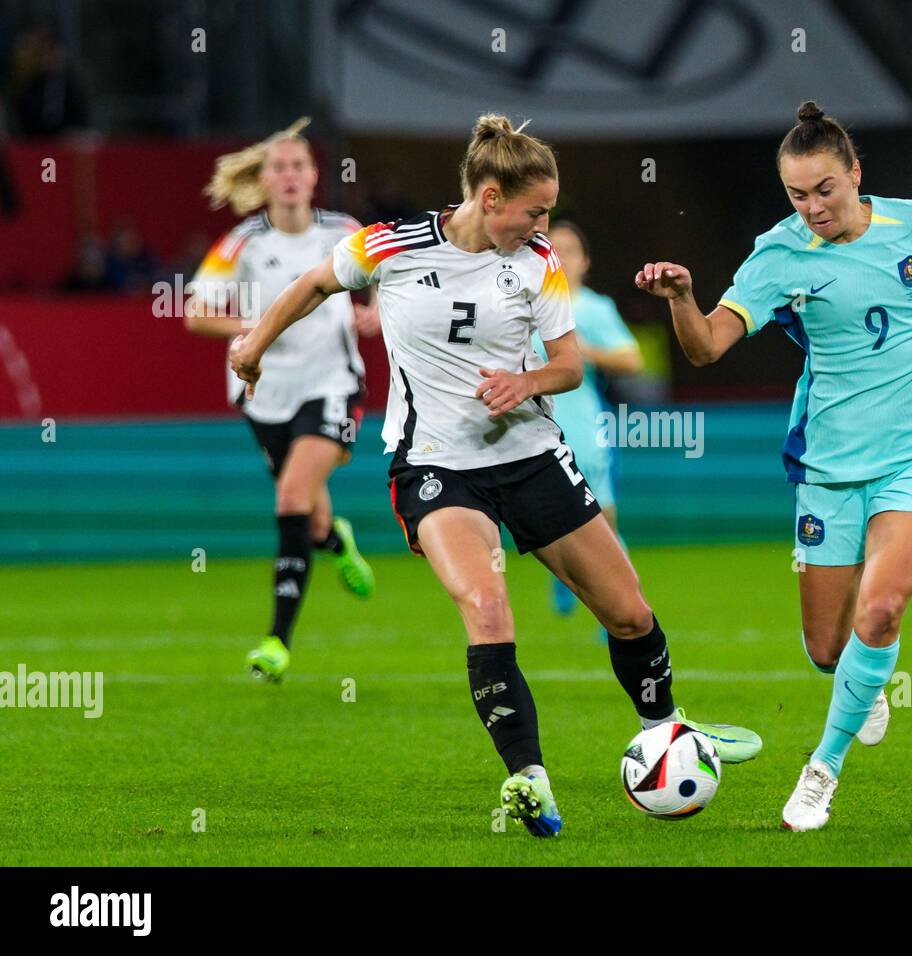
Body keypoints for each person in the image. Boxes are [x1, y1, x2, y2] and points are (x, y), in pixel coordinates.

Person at [228, 114, 761, 838]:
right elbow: (314, 285)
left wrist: (526, 379)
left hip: (530, 456)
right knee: (487, 606)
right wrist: (254, 345)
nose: (546, 225)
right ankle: (528, 779)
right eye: (536, 210)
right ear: (488, 196)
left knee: (629, 612)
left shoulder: (536, 261)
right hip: (437, 470)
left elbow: (570, 366)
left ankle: (667, 728)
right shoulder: (389, 244)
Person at [636, 100, 912, 831]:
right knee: (825, 648)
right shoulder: (778, 254)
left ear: (855, 174)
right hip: (830, 464)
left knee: (882, 607)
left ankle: (820, 771)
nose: (813, 207)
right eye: (798, 195)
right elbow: (707, 346)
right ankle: (862, 682)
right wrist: (682, 299)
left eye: (825, 191)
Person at [185, 117, 378, 682]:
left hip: (331, 383)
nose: (290, 176)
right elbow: (195, 314)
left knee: (292, 495)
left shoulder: (344, 230)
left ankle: (276, 641)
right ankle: (333, 537)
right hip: (263, 390)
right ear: (264, 180)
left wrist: (375, 313)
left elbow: (396, 282)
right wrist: (257, 324)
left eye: (299, 165)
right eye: (279, 168)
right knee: (309, 513)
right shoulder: (243, 242)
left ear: (315, 176)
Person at [530, 220, 644, 615]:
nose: (560, 258)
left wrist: (579, 352)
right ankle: (565, 577)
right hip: (533, 432)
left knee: (603, 524)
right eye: (553, 248)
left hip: (584, 428)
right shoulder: (524, 304)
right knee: (544, 520)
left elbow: (633, 359)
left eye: (569, 250)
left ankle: (621, 607)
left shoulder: (593, 309)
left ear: (585, 261)